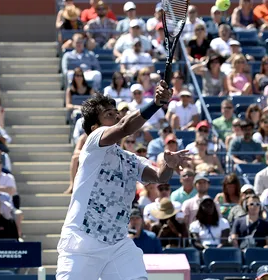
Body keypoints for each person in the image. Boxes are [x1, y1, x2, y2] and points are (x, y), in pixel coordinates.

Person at [56, 82, 190, 280]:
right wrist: (155, 103)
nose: (117, 116)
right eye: (109, 114)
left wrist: (169, 165)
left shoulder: (130, 159)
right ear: (94, 127)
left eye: (116, 112)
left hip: (118, 244)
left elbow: (160, 177)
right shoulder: (93, 143)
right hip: (82, 241)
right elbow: (125, 127)